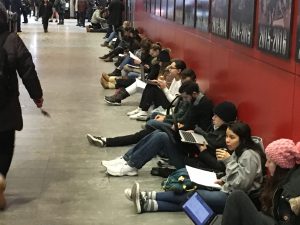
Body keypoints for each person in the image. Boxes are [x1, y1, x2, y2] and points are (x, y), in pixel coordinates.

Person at [125, 121, 265, 214]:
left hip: (237, 199)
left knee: (193, 196)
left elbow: (242, 184)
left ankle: (147, 197)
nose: (227, 140)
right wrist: (223, 179)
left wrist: (228, 161)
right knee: (190, 196)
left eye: (232, 137)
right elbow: (235, 175)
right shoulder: (238, 149)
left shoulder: (250, 156)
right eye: (227, 136)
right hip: (228, 189)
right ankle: (146, 202)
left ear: (243, 139)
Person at [102, 81, 214, 176]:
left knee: (159, 134)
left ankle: (132, 165)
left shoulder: (204, 106)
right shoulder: (194, 102)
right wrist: (185, 128)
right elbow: (189, 121)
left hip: (189, 158)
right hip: (185, 142)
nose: (213, 118)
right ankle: (127, 159)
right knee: (158, 133)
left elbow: (201, 132)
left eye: (216, 117)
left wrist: (191, 130)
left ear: (194, 94)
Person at [0, 2, 44, 210]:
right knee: (6, 143)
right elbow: (27, 68)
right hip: (6, 102)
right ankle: (0, 176)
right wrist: (37, 96)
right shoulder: (11, 40)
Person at [221, 138, 300, 225]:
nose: (266, 164)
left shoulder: (289, 192)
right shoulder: (278, 180)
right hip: (267, 218)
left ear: (280, 166)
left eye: (269, 161)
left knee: (236, 196)